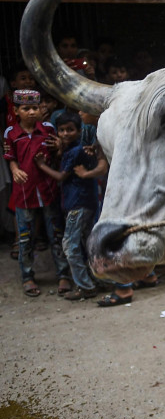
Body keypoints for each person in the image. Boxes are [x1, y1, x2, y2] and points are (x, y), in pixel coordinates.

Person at [33, 110, 108, 300]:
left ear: (79, 130)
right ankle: (97, 279)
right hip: (87, 202)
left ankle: (85, 285)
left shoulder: (75, 151)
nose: (65, 133)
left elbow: (60, 177)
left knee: (70, 245)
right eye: (62, 130)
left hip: (77, 204)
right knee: (87, 243)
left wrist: (41, 165)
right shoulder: (81, 149)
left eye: (70, 130)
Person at [4, 90, 71, 297]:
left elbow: (58, 154)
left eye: (35, 108)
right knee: (25, 238)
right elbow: (10, 157)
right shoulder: (11, 133)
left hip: (48, 189)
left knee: (56, 235)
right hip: (25, 193)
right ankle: (28, 277)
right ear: (16, 110)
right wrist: (15, 170)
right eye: (26, 109)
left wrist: (60, 147)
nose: (31, 112)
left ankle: (63, 275)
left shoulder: (48, 129)